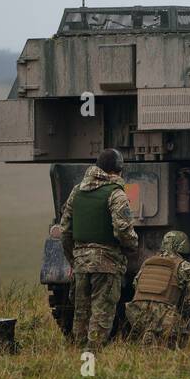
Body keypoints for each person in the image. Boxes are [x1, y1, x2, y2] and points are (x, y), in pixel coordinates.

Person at [58, 148, 139, 351]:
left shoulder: (77, 191)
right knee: (101, 316)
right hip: (107, 263)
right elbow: (123, 230)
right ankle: (92, 358)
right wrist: (132, 246)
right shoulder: (116, 194)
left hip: (81, 264)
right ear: (117, 171)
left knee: (81, 315)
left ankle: (78, 358)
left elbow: (65, 231)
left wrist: (74, 259)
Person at [124, 230, 190, 344]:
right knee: (182, 342)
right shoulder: (184, 266)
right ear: (183, 246)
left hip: (136, 314)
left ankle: (149, 337)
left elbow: (135, 284)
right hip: (165, 317)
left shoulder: (148, 262)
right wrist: (182, 313)